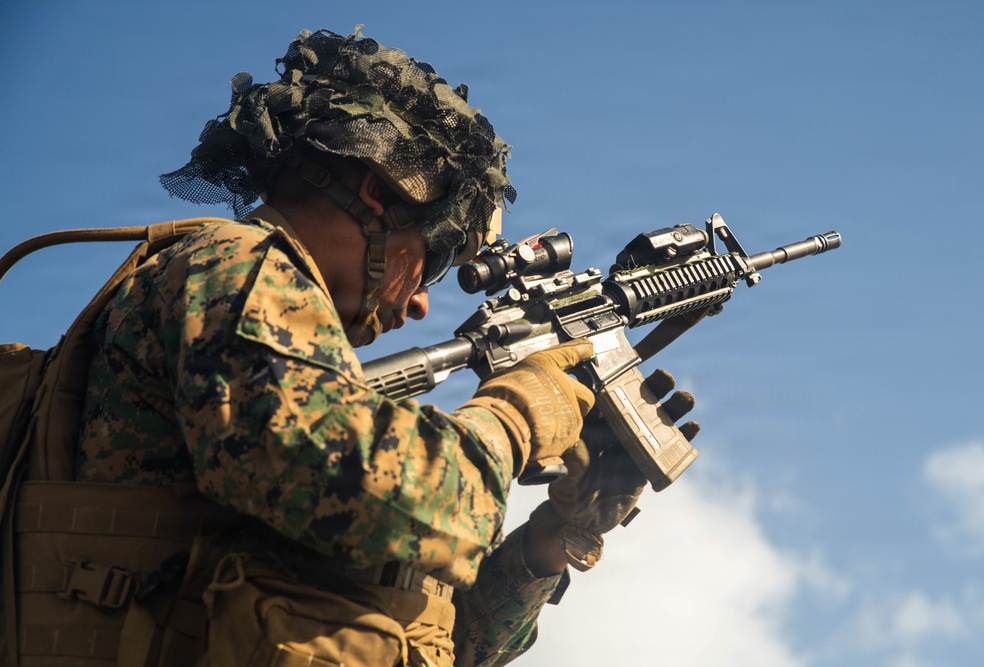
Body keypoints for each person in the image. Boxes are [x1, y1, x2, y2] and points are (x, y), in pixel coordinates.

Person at [13, 28, 697, 667]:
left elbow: (433, 638)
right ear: (378, 192)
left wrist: (552, 540)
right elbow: (368, 491)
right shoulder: (238, 266)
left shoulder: (270, 346)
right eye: (427, 261)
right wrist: (517, 415)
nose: (422, 299)